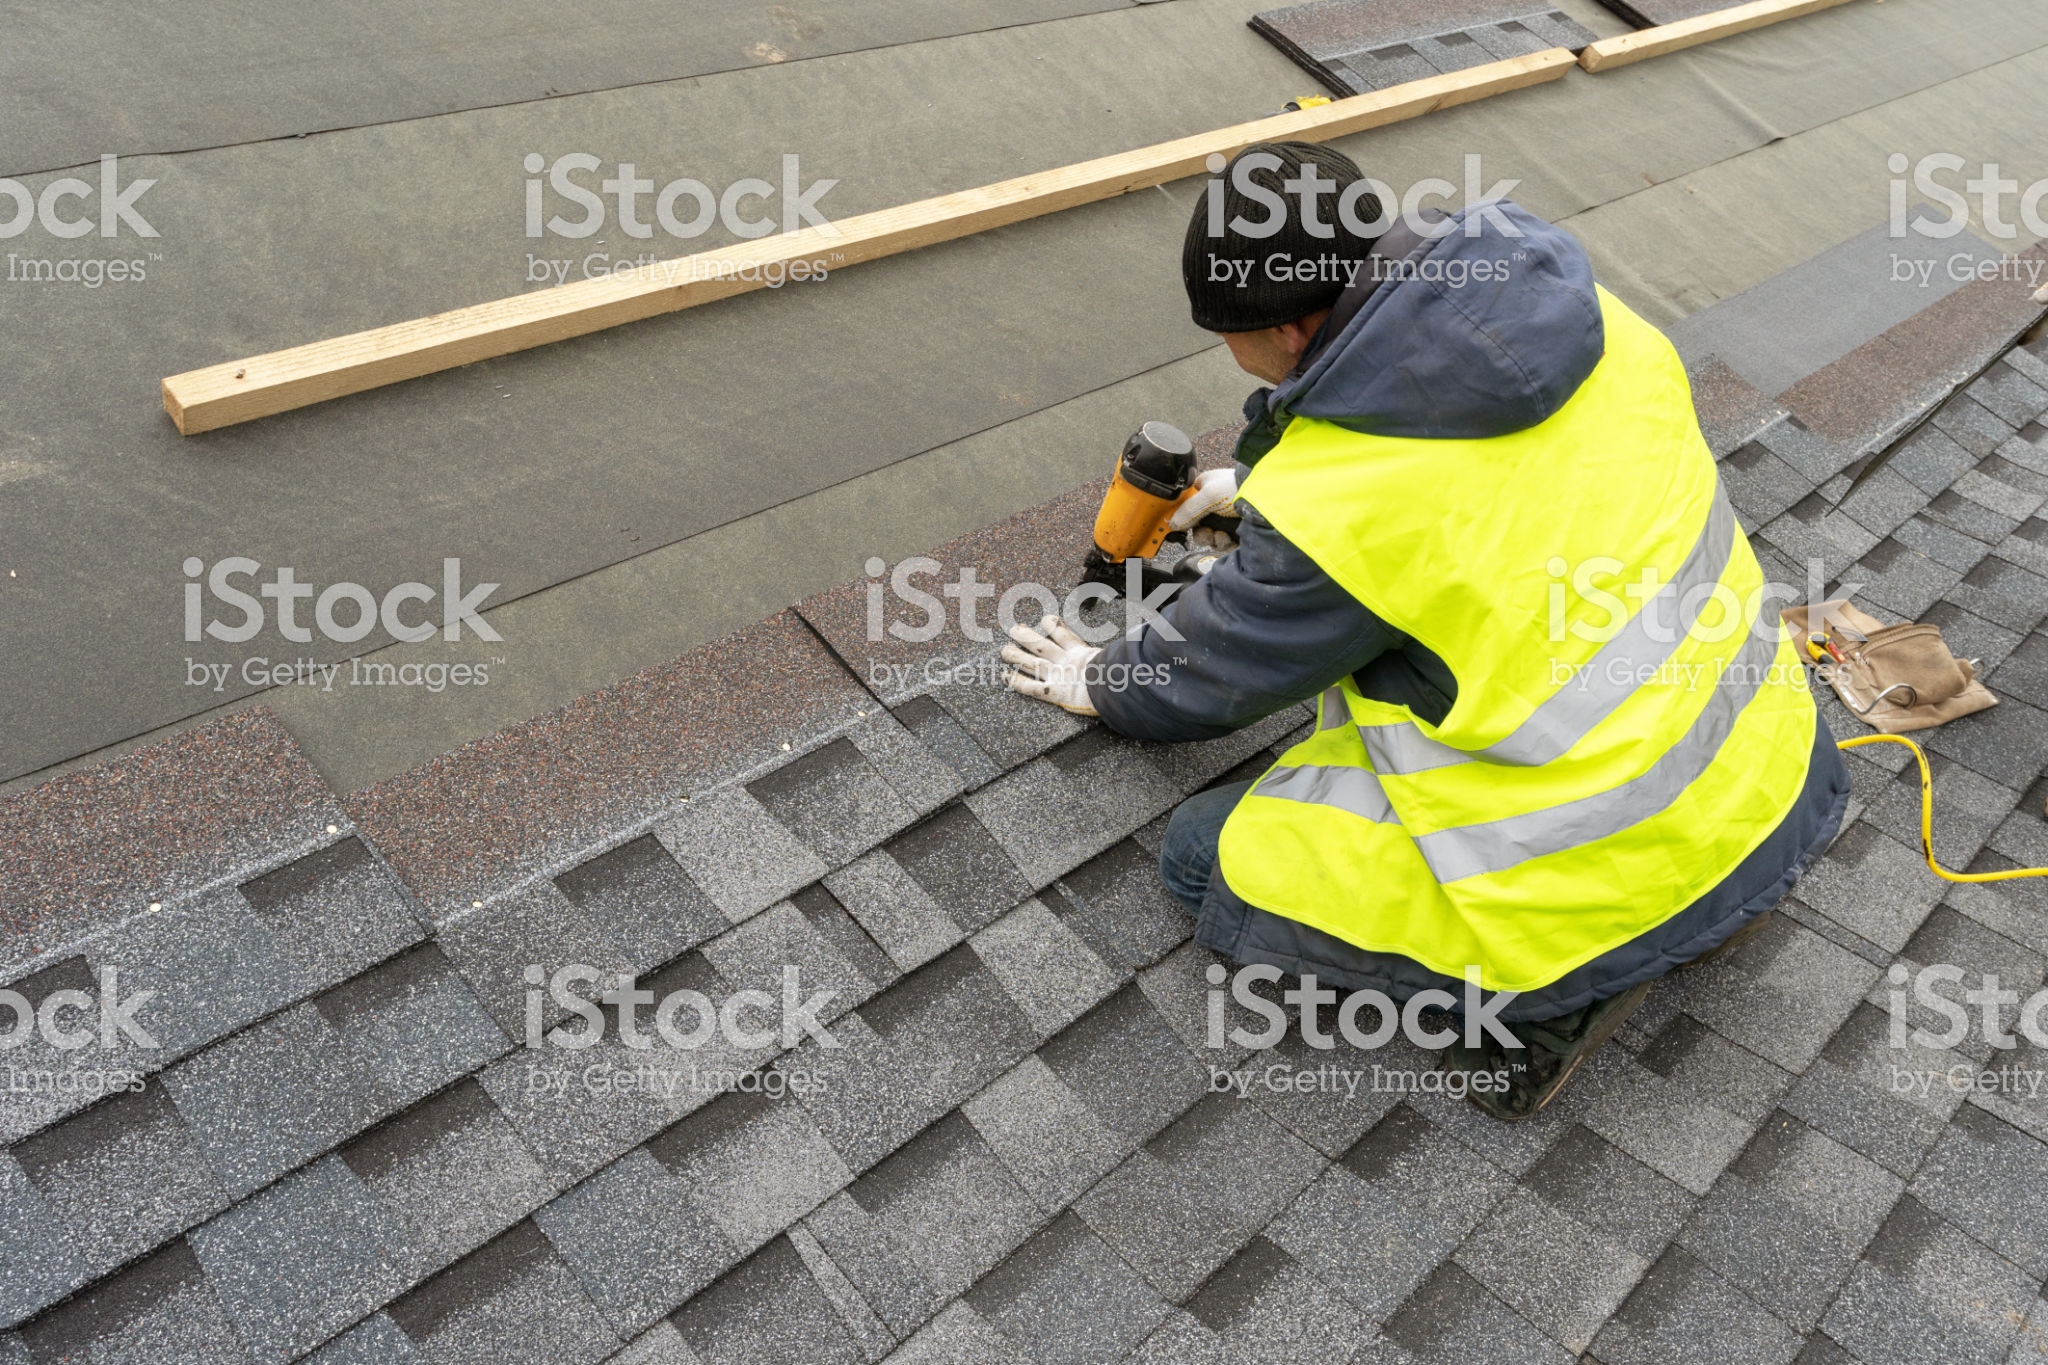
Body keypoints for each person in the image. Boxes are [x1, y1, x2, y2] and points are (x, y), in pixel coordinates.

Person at [1002, 142, 1848, 1120]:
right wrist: (1267, 498)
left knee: (1202, 858)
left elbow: (1208, 675)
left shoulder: (1347, 510)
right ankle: (1690, 900)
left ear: (1281, 329)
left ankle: (1547, 1000)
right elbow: (1491, 495)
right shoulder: (1594, 325)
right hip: (1763, 765)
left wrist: (1100, 680)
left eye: (1225, 335)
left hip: (1610, 847)